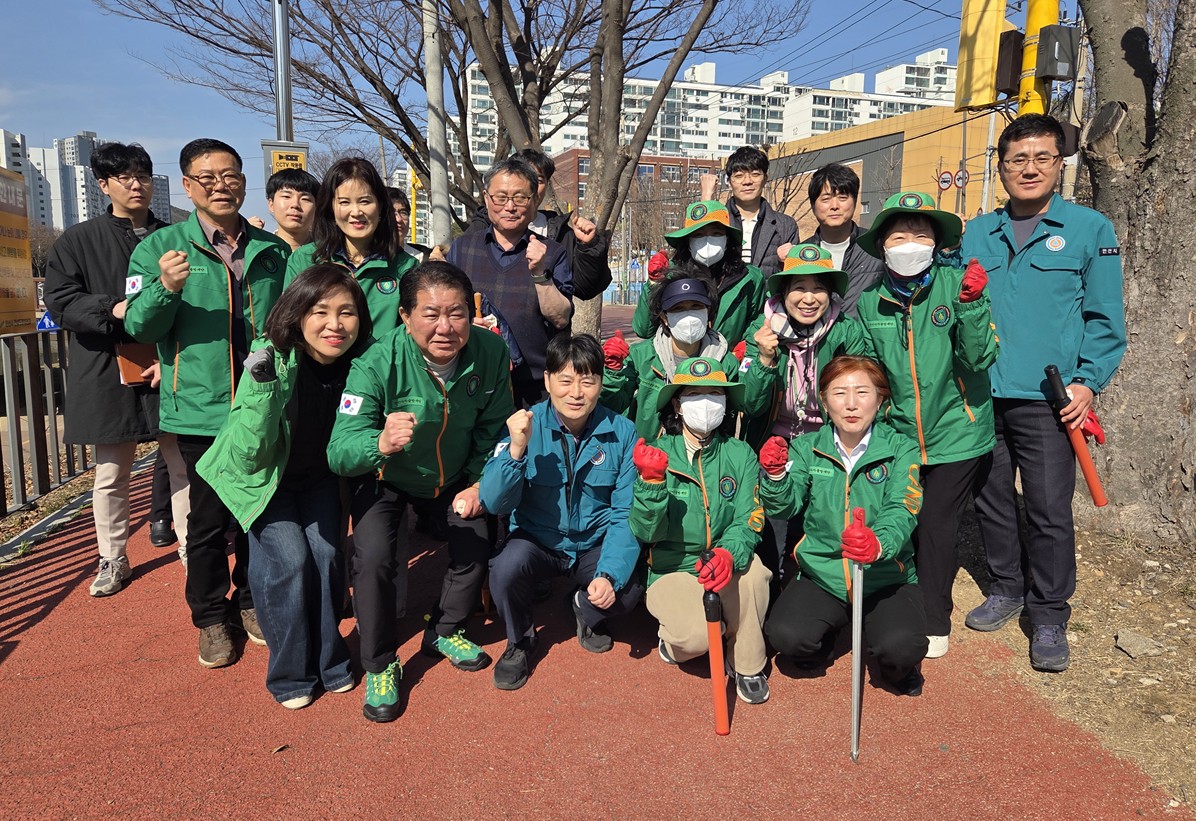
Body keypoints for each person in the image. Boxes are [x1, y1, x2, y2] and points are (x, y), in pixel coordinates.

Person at [960, 114, 1127, 672]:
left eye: (1041, 158)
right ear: (1001, 167)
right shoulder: (977, 233)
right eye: (1016, 159)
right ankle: (1006, 586)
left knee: (1050, 508)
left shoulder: (1088, 229)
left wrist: (1088, 381)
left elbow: (1106, 319)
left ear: (1060, 163)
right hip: (983, 394)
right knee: (992, 500)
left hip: (1049, 397)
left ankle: (1050, 612)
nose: (1028, 169)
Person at [124, 138, 291, 668]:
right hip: (199, 409)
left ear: (244, 180)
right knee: (208, 519)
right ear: (189, 185)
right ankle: (210, 617)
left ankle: (249, 601)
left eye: (231, 175)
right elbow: (136, 325)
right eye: (207, 177)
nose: (221, 185)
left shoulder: (272, 251)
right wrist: (164, 289)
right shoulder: (159, 249)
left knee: (256, 514)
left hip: (261, 406)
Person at [327, 261, 514, 722]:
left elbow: (495, 430)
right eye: (430, 314)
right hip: (386, 476)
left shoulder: (490, 352)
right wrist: (379, 442)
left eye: (456, 313)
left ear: (471, 312)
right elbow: (339, 449)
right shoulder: (375, 362)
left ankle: (444, 628)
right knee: (372, 561)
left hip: (453, 476)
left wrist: (475, 483)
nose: (446, 327)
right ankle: (380, 663)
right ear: (406, 316)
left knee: (475, 536)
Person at [196, 265, 370, 709]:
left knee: (329, 556)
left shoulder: (363, 362)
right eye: (321, 311)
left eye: (347, 312)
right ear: (297, 313)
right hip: (265, 480)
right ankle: (290, 674)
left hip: (320, 479)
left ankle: (331, 662)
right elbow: (248, 454)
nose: (335, 324)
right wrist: (262, 388)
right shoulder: (271, 358)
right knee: (289, 561)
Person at [854, 192, 998, 660]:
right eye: (900, 235)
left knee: (937, 524)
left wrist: (973, 306)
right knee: (900, 520)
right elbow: (872, 373)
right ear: (883, 245)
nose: (910, 244)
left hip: (958, 430)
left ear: (937, 243)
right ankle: (897, 601)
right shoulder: (871, 303)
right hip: (900, 434)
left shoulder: (958, 287)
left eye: (921, 234)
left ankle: (935, 617)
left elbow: (979, 358)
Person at [43, 142, 190, 596]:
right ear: (103, 185)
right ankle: (112, 557)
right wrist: (116, 307)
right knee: (111, 473)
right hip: (107, 369)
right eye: (123, 177)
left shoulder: (177, 235)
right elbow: (61, 301)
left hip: (172, 368)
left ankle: (193, 549)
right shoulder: (78, 240)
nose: (136, 184)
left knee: (184, 466)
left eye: (143, 175)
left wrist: (174, 358)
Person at [480, 334, 643, 690]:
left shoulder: (623, 432)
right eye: (566, 380)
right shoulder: (523, 425)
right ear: (548, 380)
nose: (576, 393)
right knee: (505, 569)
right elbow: (493, 502)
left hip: (593, 544)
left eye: (588, 381)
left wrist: (609, 575)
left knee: (627, 590)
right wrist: (516, 452)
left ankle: (585, 609)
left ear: (600, 383)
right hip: (539, 540)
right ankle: (520, 641)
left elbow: (624, 513)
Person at [759, 355, 927, 696]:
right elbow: (786, 506)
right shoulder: (807, 448)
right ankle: (835, 630)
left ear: (880, 399)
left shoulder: (901, 448)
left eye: (862, 392)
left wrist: (877, 544)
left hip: (884, 578)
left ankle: (887, 654)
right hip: (825, 574)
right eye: (839, 393)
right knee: (787, 638)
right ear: (823, 401)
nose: (851, 404)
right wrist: (775, 478)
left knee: (902, 647)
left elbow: (903, 507)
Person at [629, 358, 772, 705]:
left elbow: (749, 518)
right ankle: (678, 642)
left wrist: (728, 553)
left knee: (754, 574)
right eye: (695, 394)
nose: (706, 403)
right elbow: (646, 531)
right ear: (677, 404)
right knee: (696, 638)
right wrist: (651, 484)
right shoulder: (659, 453)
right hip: (673, 568)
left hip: (723, 559)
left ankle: (747, 664)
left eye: (715, 394)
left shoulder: (740, 454)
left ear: (726, 404)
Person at [740, 244, 872, 584]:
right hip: (773, 442)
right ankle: (771, 595)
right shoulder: (762, 331)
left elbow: (859, 398)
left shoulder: (846, 332)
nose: (809, 298)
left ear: (831, 294)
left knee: (815, 527)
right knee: (772, 530)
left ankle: (809, 595)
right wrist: (766, 360)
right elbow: (751, 406)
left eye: (819, 288)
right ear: (784, 293)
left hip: (825, 444)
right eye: (799, 287)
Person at [447, 157, 573, 407]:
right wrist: (467, 323)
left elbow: (560, 318)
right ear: (486, 198)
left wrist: (540, 273)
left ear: (534, 200)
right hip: (472, 381)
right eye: (501, 197)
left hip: (535, 390)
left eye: (520, 197)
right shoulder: (462, 249)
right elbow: (445, 310)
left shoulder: (552, 252)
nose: (510, 206)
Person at [286, 158, 417, 340]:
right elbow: (287, 325)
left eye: (364, 201)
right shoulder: (305, 259)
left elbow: (410, 336)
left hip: (379, 368)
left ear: (380, 207)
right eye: (344, 202)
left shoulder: (405, 266)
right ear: (331, 208)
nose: (356, 212)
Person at [601, 270, 739, 441]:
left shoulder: (726, 362)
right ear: (664, 317)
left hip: (706, 460)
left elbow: (732, 419)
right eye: (678, 309)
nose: (688, 315)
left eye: (696, 306)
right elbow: (611, 407)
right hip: (648, 457)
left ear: (707, 311)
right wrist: (613, 372)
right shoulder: (640, 357)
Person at [466, 148, 611, 301]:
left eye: (539, 180)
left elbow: (585, 288)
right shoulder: (482, 227)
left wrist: (588, 247)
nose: (533, 186)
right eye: (525, 177)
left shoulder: (561, 233)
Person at [631, 200, 765, 347]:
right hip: (678, 363)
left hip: (729, 364)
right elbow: (644, 330)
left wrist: (746, 348)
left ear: (727, 239)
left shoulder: (750, 278)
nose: (707, 240)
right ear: (687, 241)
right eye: (698, 234)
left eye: (716, 233)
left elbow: (757, 322)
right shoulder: (670, 273)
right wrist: (654, 283)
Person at [784, 164, 884, 317]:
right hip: (818, 338)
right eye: (826, 199)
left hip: (866, 338)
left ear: (855, 201)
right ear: (813, 205)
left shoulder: (875, 246)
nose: (834, 206)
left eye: (843, 198)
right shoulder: (801, 254)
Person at [699, 146, 798, 278]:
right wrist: (706, 198)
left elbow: (794, 277)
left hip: (767, 298)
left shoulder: (785, 225)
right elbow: (697, 258)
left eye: (755, 174)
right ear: (729, 182)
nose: (747, 182)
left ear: (765, 179)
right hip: (723, 297)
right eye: (739, 176)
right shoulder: (718, 221)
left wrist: (783, 262)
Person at [262, 168, 319, 251]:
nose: (295, 204)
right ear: (271, 204)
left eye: (305, 199)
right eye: (286, 196)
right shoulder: (260, 251)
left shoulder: (329, 253)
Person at [387, 186, 432, 262]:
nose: (399, 219)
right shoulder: (363, 259)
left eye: (403, 213)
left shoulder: (423, 259)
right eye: (391, 213)